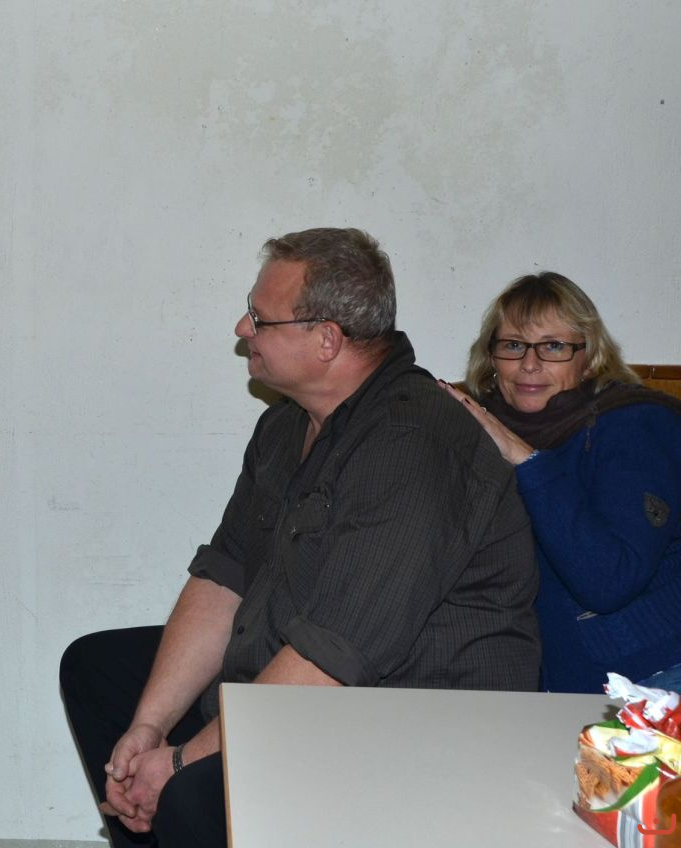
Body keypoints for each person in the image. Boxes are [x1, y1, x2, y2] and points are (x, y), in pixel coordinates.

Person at [59, 227, 541, 848]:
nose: (242, 328)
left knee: (195, 793)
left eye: (261, 318)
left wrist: (180, 763)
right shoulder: (285, 428)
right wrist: (149, 730)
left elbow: (335, 654)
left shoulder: (414, 443)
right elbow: (224, 576)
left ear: (327, 340)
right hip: (316, 688)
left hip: (413, 718)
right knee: (98, 669)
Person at [444, 271, 681, 695]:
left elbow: (609, 582)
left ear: (589, 358)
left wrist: (528, 462)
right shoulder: (475, 431)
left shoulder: (635, 426)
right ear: (491, 358)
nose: (529, 364)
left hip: (653, 681)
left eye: (553, 346)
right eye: (513, 345)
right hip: (540, 685)